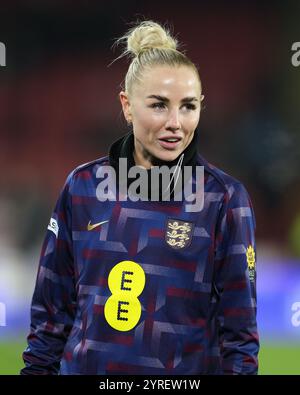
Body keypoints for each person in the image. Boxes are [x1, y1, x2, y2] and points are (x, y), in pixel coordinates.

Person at [21, 20, 259, 375]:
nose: (176, 123)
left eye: (189, 106)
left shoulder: (223, 200)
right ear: (127, 106)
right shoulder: (82, 187)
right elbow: (50, 319)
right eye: (159, 105)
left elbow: (239, 339)